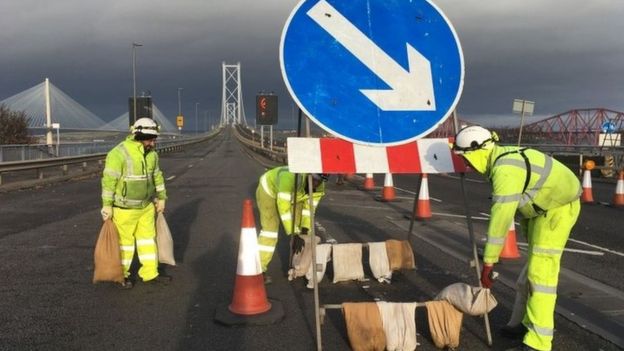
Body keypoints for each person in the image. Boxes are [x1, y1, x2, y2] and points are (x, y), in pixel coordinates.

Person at [451, 126, 581, 351]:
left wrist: (489, 262)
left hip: (557, 210)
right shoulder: (500, 157)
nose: (467, 166)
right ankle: (526, 324)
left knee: (541, 279)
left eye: (467, 159)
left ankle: (539, 342)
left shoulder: (505, 170)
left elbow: (501, 217)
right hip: (540, 210)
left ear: (477, 151)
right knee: (528, 276)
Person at [101, 117, 170, 289]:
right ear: (139, 136)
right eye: (150, 139)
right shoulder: (118, 153)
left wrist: (161, 198)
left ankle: (150, 273)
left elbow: (157, 176)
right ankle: (121, 276)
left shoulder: (152, 155)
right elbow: (109, 181)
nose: (153, 143)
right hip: (124, 209)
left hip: (146, 207)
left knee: (147, 241)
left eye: (154, 139)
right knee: (125, 244)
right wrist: (107, 205)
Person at [255, 166, 328, 284]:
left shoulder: (319, 186)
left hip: (296, 195)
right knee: (270, 231)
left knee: (304, 234)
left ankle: (299, 265)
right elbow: (284, 208)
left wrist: (304, 230)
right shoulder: (288, 177)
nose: (316, 184)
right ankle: (258, 269)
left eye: (319, 181)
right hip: (269, 191)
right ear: (307, 174)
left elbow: (309, 209)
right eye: (314, 180)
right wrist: (293, 233)